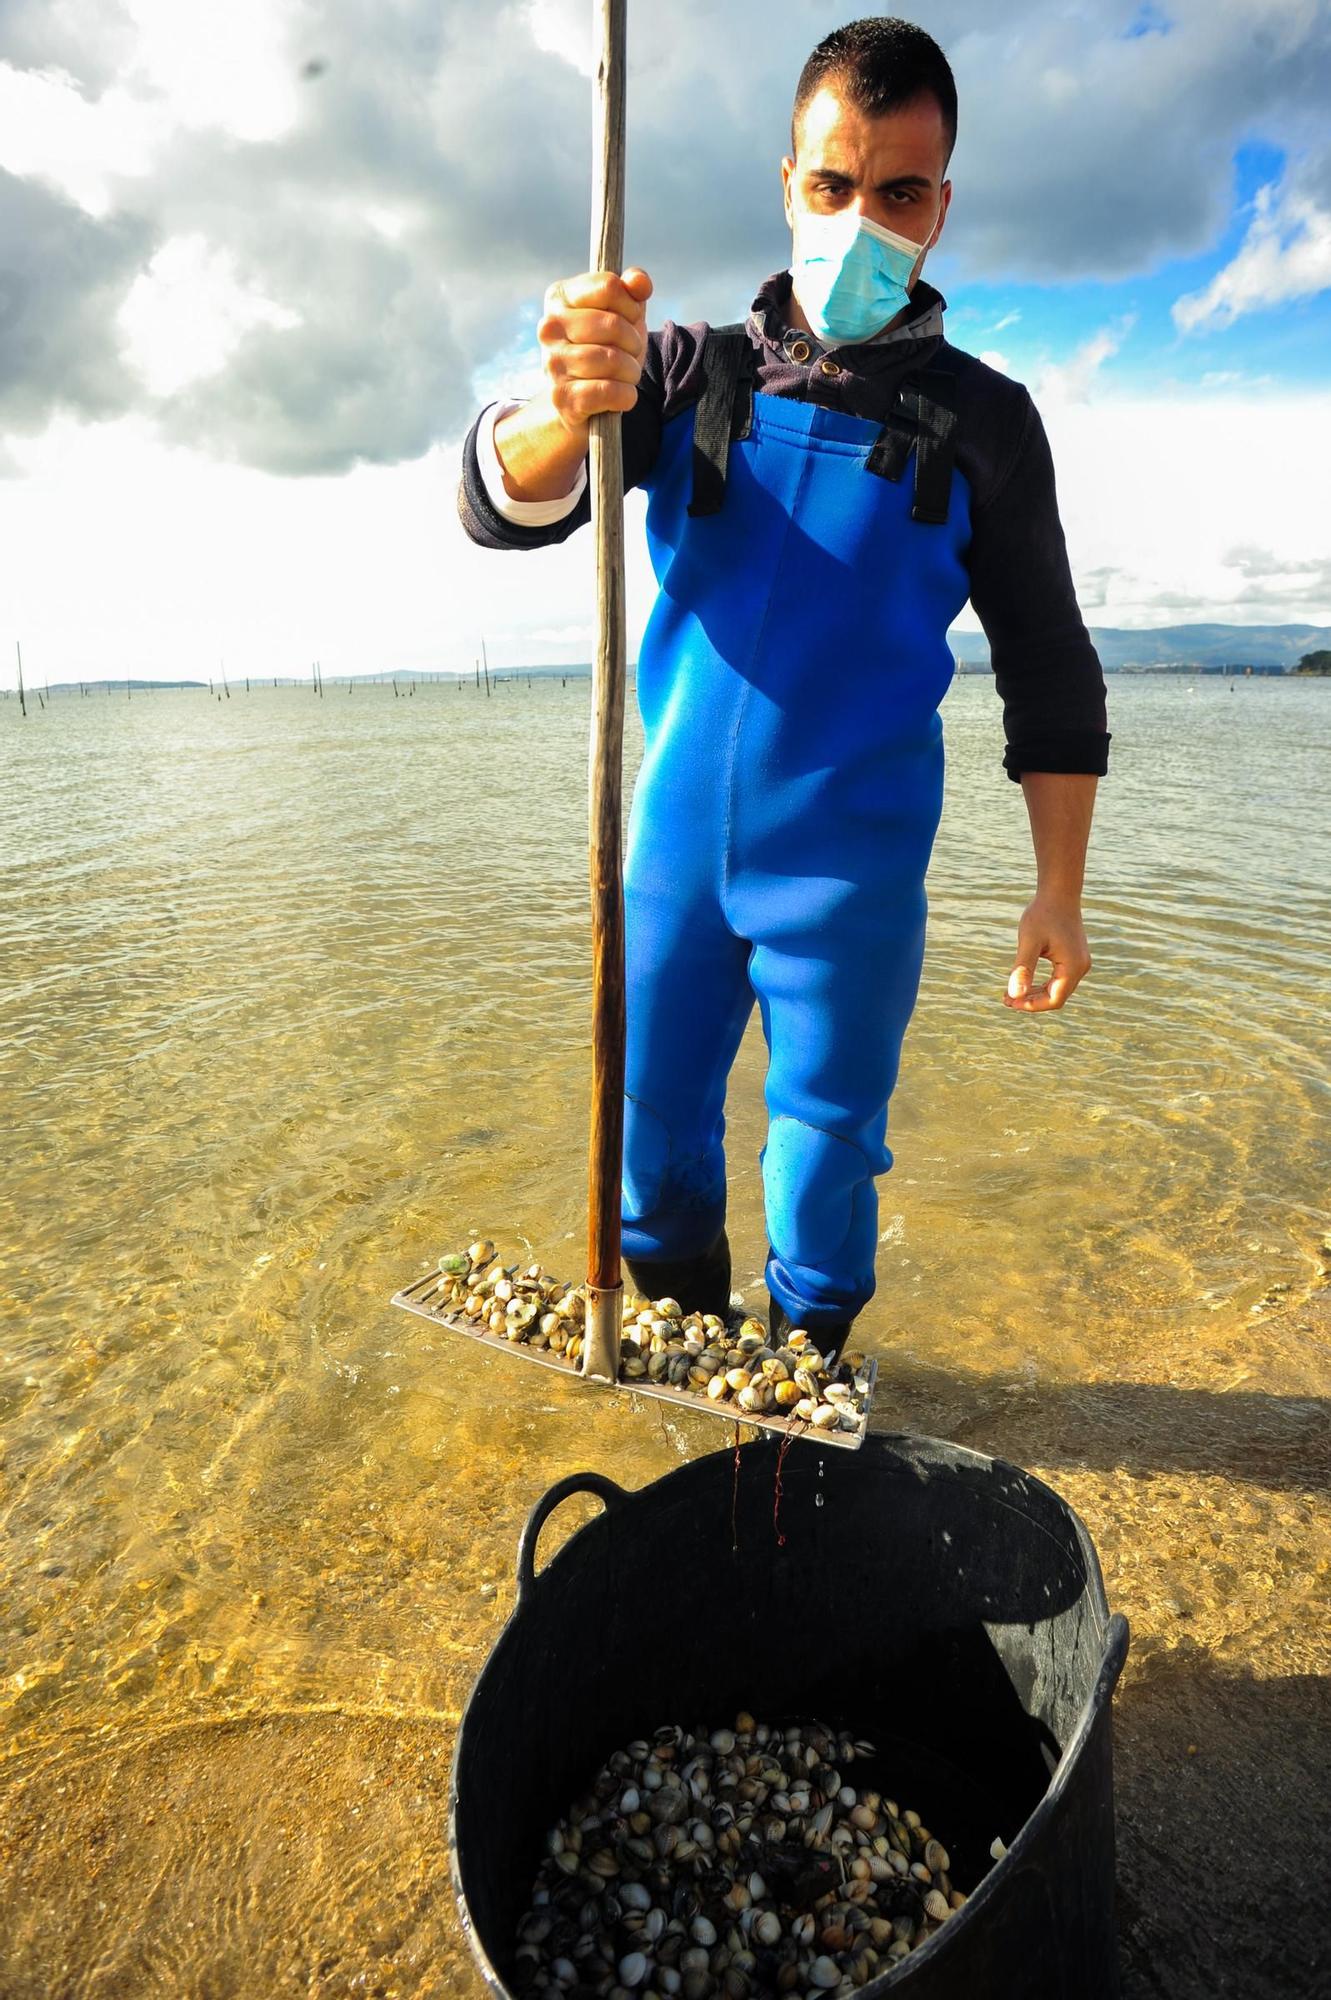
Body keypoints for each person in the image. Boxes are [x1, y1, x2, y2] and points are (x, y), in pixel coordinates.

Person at [458, 17, 1109, 1358]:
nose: (860, 222)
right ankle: (699, 1399)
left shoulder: (987, 424)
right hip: (671, 866)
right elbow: (506, 498)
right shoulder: (689, 372)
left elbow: (1048, 668)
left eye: (899, 194)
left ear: (940, 208)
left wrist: (1059, 890)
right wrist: (563, 405)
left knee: (820, 1181)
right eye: (832, 187)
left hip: (852, 887)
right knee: (646, 1159)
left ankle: (800, 1422)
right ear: (786, 185)